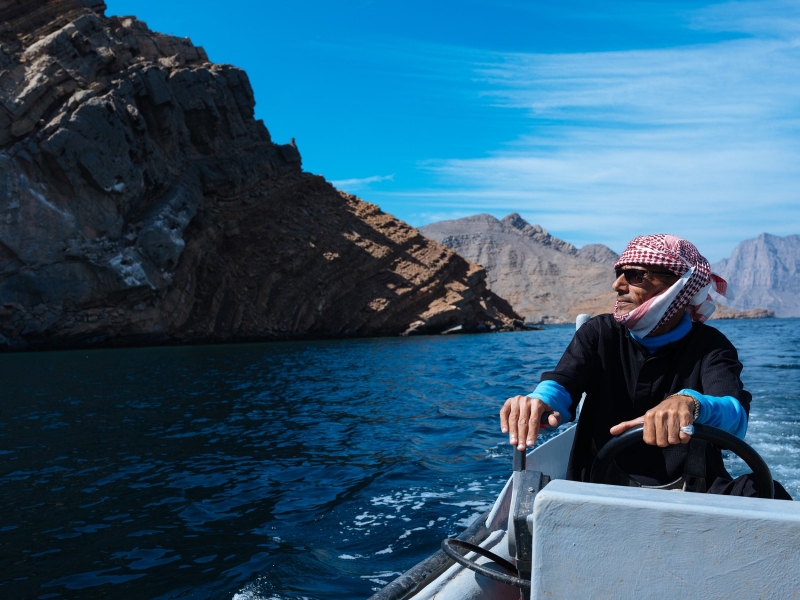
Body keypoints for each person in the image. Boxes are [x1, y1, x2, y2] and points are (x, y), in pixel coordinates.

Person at [499, 233, 791, 498]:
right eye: (618, 273)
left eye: (634, 275)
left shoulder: (712, 346)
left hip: (695, 494)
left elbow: (736, 417)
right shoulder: (599, 332)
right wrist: (540, 401)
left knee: (769, 494)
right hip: (598, 490)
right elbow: (563, 382)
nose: (617, 285)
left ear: (677, 286)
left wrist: (691, 404)